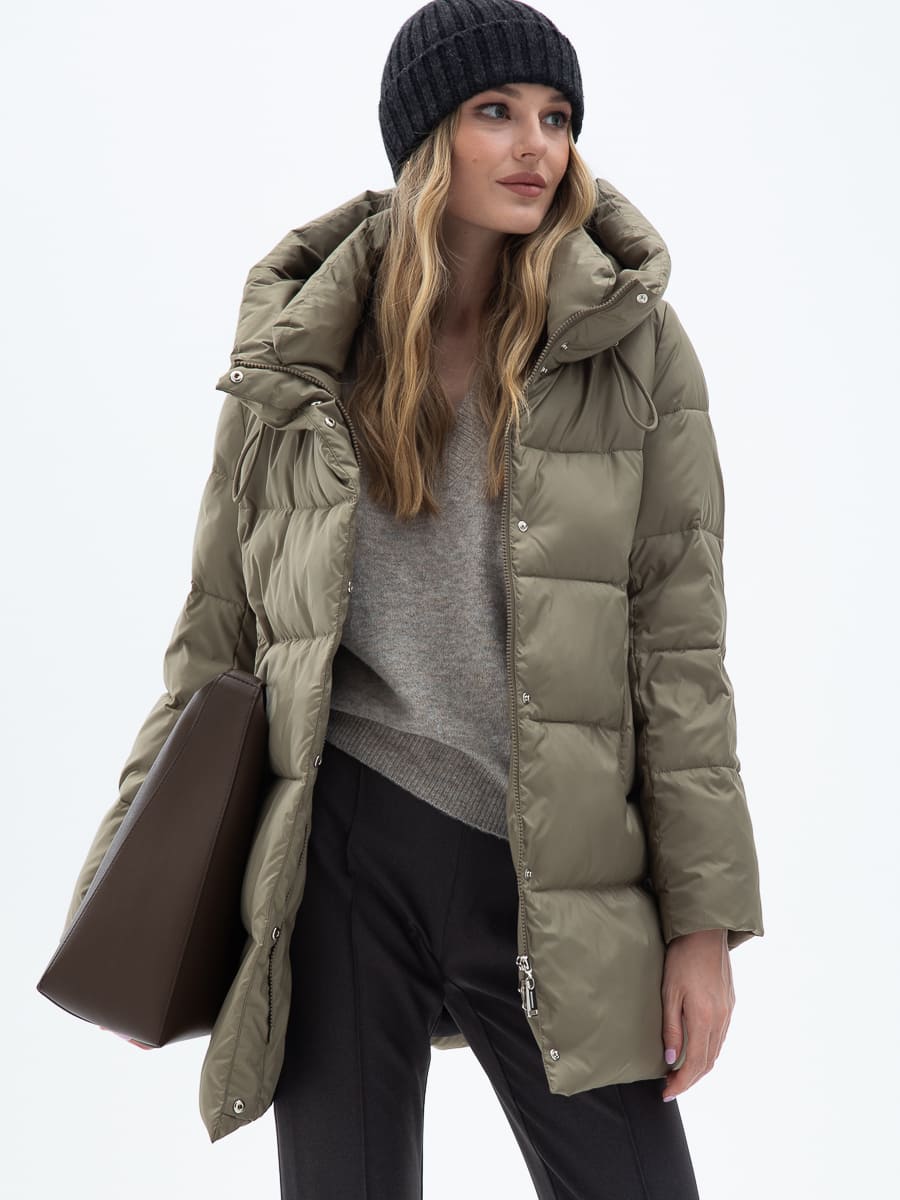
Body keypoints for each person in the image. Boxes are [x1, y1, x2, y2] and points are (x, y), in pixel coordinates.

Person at [62, 1, 765, 1196]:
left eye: (556, 117)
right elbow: (214, 639)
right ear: (427, 139)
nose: (536, 146)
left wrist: (704, 926)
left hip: (555, 867)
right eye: (496, 112)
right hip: (341, 849)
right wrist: (127, 903)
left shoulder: (629, 348)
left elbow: (679, 652)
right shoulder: (302, 353)